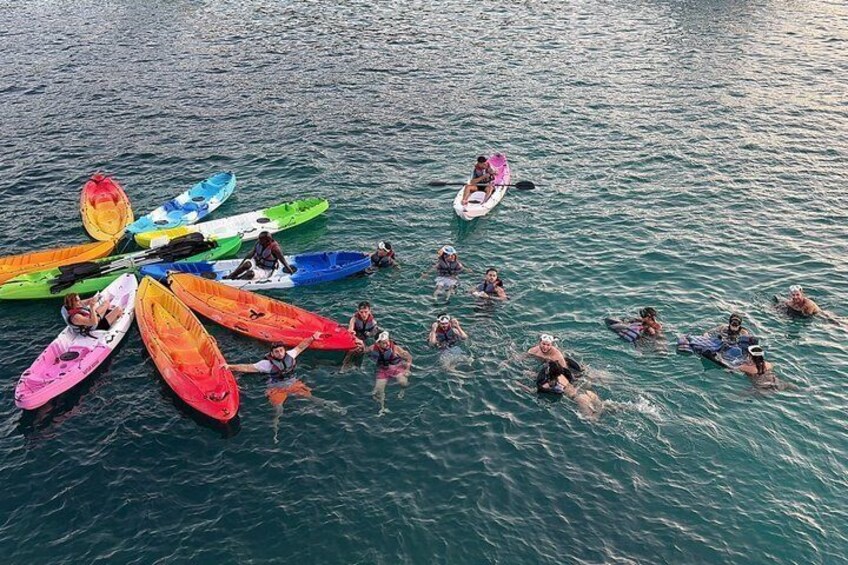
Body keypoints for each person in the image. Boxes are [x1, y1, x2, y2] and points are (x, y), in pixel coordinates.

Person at [536, 361, 603, 419]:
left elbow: (539, 389)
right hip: (587, 392)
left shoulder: (551, 382)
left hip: (580, 399)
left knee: (591, 419)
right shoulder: (562, 376)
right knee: (601, 407)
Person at [367, 331, 413, 409]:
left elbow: (409, 357)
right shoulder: (373, 348)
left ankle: (402, 391)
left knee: (403, 383)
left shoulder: (396, 348)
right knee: (378, 392)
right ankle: (382, 408)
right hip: (383, 370)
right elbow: (364, 350)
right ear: (378, 344)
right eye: (384, 343)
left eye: (388, 341)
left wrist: (407, 369)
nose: (388, 344)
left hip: (397, 369)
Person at [223, 231, 294, 280]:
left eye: (261, 240)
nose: (259, 241)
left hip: (266, 269)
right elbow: (250, 255)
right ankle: (230, 277)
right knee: (246, 265)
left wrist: (290, 271)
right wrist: (239, 267)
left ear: (268, 241)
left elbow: (283, 260)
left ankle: (237, 281)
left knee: (250, 274)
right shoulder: (259, 243)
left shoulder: (275, 248)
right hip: (256, 262)